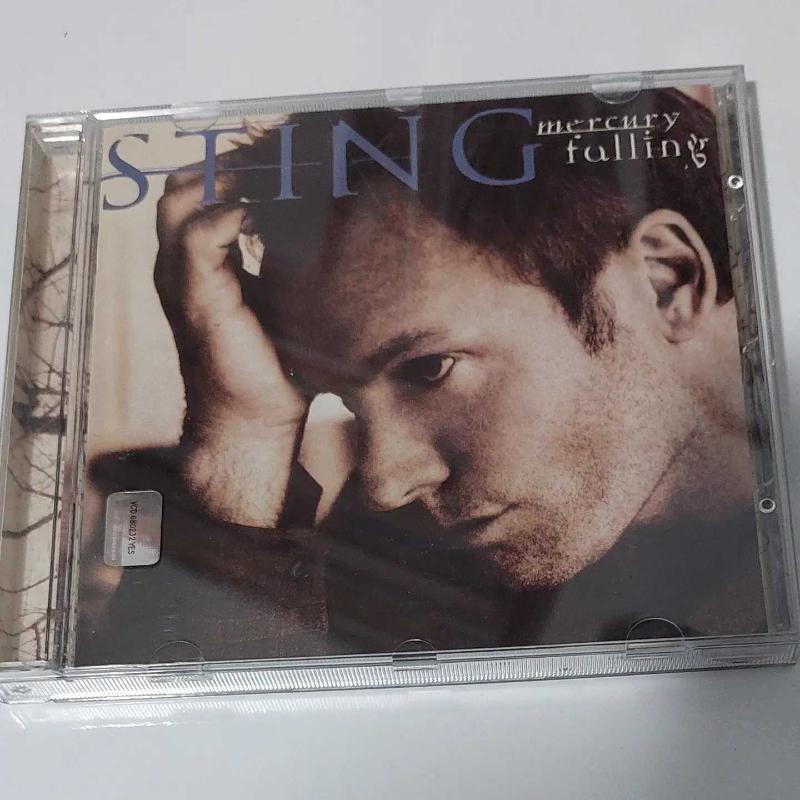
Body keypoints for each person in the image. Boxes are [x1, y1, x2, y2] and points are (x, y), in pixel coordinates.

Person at [77, 88, 766, 665]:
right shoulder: (413, 547)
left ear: (667, 281)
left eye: (428, 370)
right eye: (346, 402)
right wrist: (241, 438)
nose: (385, 482)